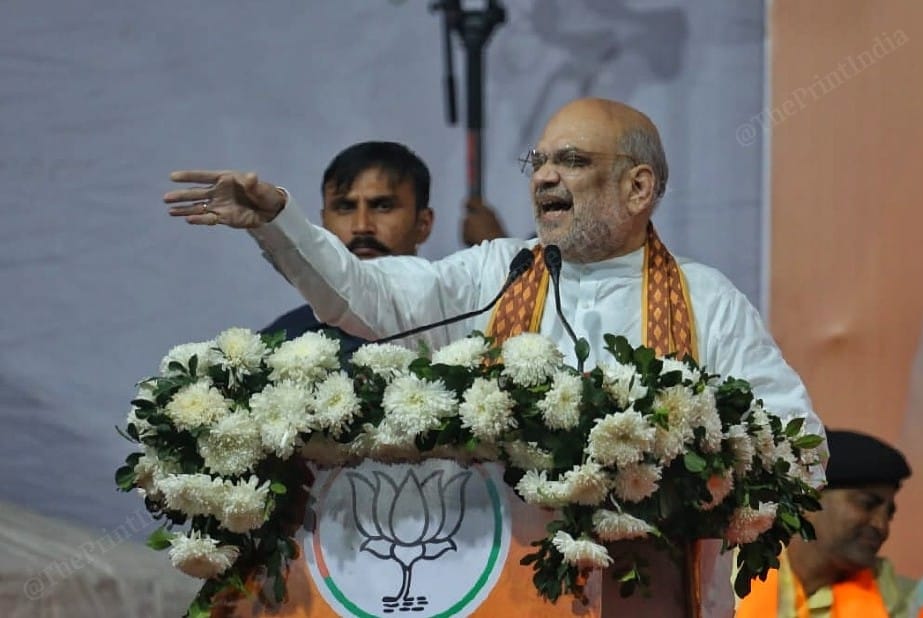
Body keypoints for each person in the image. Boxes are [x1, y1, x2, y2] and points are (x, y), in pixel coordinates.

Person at [164, 97, 827, 616]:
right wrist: (278, 222)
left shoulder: (704, 299)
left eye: (569, 161)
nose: (543, 176)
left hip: (649, 594)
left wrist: (676, 459)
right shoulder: (496, 272)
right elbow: (365, 300)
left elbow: (799, 446)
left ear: (637, 186)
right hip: (491, 596)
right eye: (537, 162)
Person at [261, 141, 433, 347]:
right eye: (345, 207)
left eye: (383, 206)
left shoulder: (461, 328)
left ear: (423, 224)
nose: (362, 226)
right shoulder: (281, 346)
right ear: (323, 224)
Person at [737, 429, 921, 618]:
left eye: (889, 514)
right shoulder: (730, 574)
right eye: (867, 504)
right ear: (809, 500)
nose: (882, 526)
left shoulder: (893, 596)